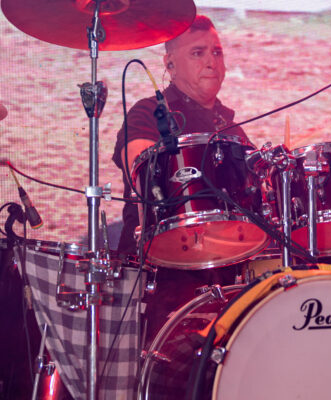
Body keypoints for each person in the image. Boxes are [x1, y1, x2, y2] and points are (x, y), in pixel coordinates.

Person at [112, 15, 253, 343]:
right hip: (160, 277)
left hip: (225, 271)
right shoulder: (148, 112)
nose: (211, 62)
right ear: (170, 65)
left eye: (217, 52)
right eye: (198, 53)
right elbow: (139, 168)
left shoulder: (230, 129)